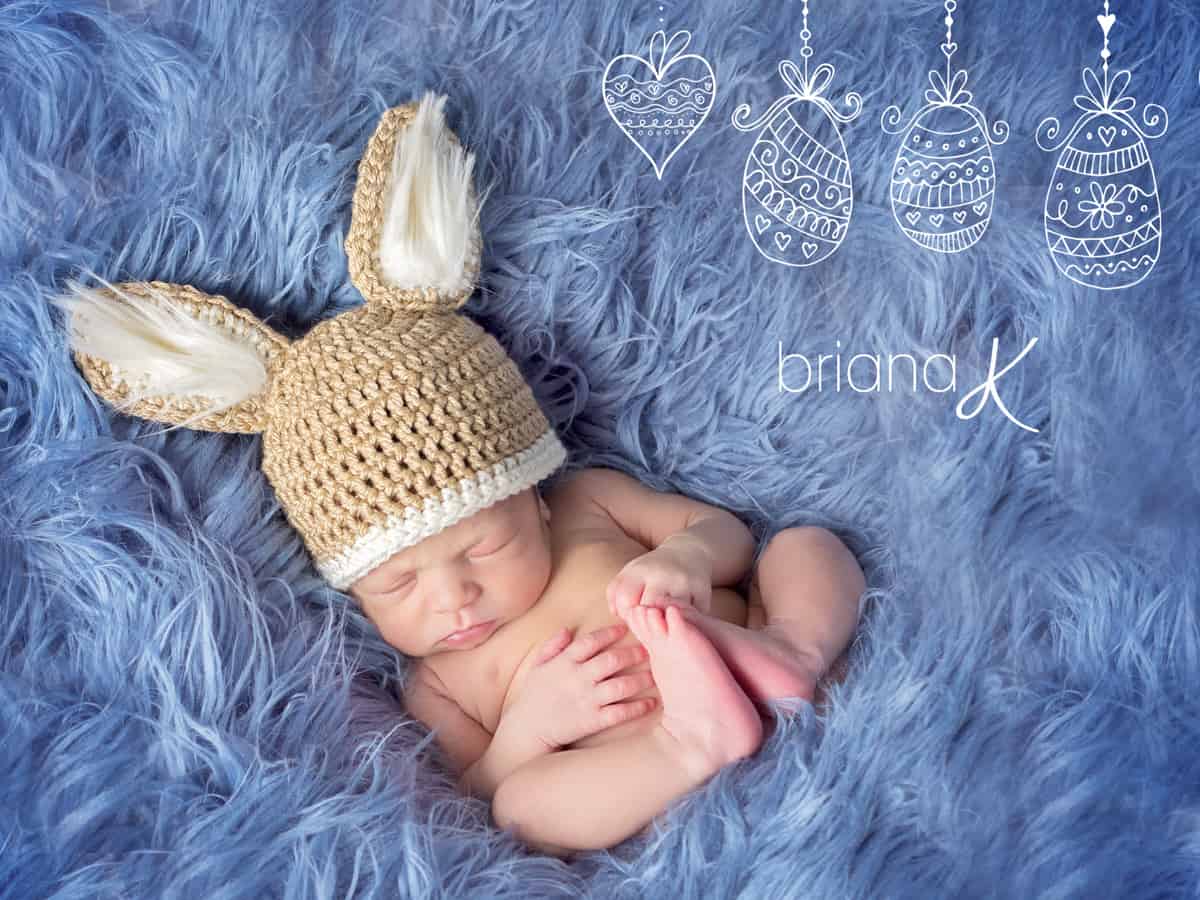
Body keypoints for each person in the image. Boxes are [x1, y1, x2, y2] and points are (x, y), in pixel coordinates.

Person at [53, 91, 866, 858]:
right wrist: (528, 731)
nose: (452, 599)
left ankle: (792, 649)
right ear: (353, 588)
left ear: (535, 499)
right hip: (640, 753)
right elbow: (476, 794)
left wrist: (683, 561)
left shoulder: (587, 505)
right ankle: (690, 743)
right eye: (398, 585)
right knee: (525, 807)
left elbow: (725, 533)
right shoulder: (440, 685)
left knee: (802, 545)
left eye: (481, 549)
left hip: (739, 634)